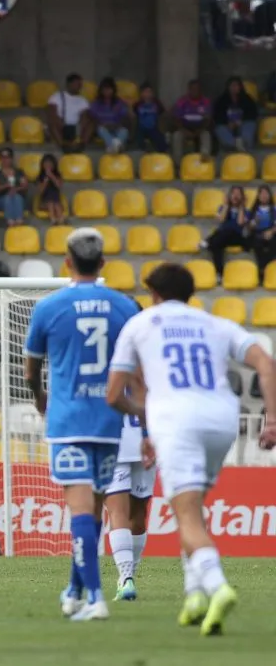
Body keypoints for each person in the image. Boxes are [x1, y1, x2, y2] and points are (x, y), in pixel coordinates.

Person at [106, 262, 276, 635]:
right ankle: (194, 594)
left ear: (154, 294)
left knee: (187, 516)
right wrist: (273, 420)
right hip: (223, 420)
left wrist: (146, 417)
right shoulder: (214, 323)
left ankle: (217, 586)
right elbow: (265, 362)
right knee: (194, 509)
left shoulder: (140, 324)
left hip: (177, 420)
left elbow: (115, 394)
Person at [24, 227, 140, 622]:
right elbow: (136, 366)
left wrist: (39, 397)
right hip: (111, 421)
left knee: (79, 511)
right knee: (92, 510)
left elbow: (31, 368)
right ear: (104, 263)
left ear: (67, 262)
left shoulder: (49, 307)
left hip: (69, 420)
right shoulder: (125, 306)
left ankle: (95, 598)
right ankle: (74, 590)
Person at [103, 303, 153, 602]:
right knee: (138, 515)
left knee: (117, 512)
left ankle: (126, 578)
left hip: (117, 436)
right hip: (147, 436)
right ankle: (129, 576)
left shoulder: (112, 351)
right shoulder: (151, 351)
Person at [201, 185, 249, 278]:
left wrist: (241, 206)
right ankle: (220, 273)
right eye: (233, 193)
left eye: (238, 194)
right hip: (222, 237)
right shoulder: (222, 208)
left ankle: (207, 241)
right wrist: (226, 205)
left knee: (228, 230)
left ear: (242, 197)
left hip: (237, 237)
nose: (235, 196)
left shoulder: (246, 211)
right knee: (216, 245)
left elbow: (240, 223)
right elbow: (221, 220)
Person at [47, 74, 93, 152]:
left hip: (76, 128)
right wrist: (59, 122)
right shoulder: (56, 97)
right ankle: (63, 146)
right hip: (61, 126)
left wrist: (80, 128)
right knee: (52, 123)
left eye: (80, 84)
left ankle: (80, 145)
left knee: (92, 123)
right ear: (69, 84)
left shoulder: (83, 100)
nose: (79, 86)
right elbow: (52, 113)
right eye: (77, 83)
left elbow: (84, 117)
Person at [212, 76, 259, 152]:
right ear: (228, 87)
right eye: (232, 86)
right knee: (219, 129)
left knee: (250, 124)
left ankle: (244, 143)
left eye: (236, 85)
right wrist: (228, 123)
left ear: (240, 87)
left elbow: (253, 114)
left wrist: (241, 121)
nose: (234, 88)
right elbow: (217, 116)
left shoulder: (247, 99)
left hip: (243, 123)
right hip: (227, 125)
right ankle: (235, 145)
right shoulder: (221, 100)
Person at [171, 79, 213, 162]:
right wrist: (184, 130)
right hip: (185, 129)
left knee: (206, 135)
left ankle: (204, 159)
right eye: (192, 89)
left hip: (200, 129)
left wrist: (199, 130)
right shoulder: (182, 101)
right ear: (189, 90)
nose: (194, 91)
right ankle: (178, 163)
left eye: (197, 89)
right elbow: (177, 119)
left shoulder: (206, 102)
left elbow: (208, 120)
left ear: (200, 90)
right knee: (176, 136)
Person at [88, 77, 130, 154]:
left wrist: (117, 125)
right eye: (105, 89)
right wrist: (103, 124)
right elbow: (92, 117)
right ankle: (117, 146)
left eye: (109, 89)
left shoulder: (119, 102)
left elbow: (123, 116)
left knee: (124, 131)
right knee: (101, 130)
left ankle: (113, 147)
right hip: (103, 127)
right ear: (101, 90)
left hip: (116, 127)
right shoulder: (96, 103)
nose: (107, 92)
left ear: (113, 90)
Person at [0, 147, 28, 227]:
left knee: (16, 197)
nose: (5, 160)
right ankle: (10, 222)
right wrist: (6, 186)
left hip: (16, 198)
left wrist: (15, 189)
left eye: (7, 158)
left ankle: (18, 221)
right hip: (0, 199)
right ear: (0, 159)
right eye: (3, 158)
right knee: (8, 197)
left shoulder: (19, 172)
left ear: (11, 158)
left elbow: (25, 186)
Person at [132, 82, 167, 152]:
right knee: (138, 139)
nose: (147, 94)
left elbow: (163, 114)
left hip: (153, 127)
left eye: (149, 92)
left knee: (159, 138)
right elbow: (133, 114)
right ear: (141, 94)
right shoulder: (137, 105)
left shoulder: (157, 104)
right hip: (141, 128)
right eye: (145, 92)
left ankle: (163, 154)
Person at [250, 185, 276, 274]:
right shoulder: (254, 210)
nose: (264, 196)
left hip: (271, 232)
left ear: (269, 195)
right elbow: (250, 226)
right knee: (257, 242)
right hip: (257, 233)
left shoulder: (274, 209)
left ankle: (266, 266)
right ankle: (262, 268)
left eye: (266, 193)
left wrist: (271, 231)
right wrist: (255, 222)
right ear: (258, 196)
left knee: (273, 242)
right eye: (262, 193)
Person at [36, 153, 65, 226]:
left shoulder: (57, 175)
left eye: (50, 163)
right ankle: (55, 219)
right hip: (44, 201)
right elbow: (41, 191)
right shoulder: (40, 176)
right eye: (46, 163)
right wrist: (45, 182)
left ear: (54, 164)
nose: (48, 165)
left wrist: (52, 176)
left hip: (57, 200)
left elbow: (59, 186)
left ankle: (59, 219)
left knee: (54, 199)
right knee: (50, 200)